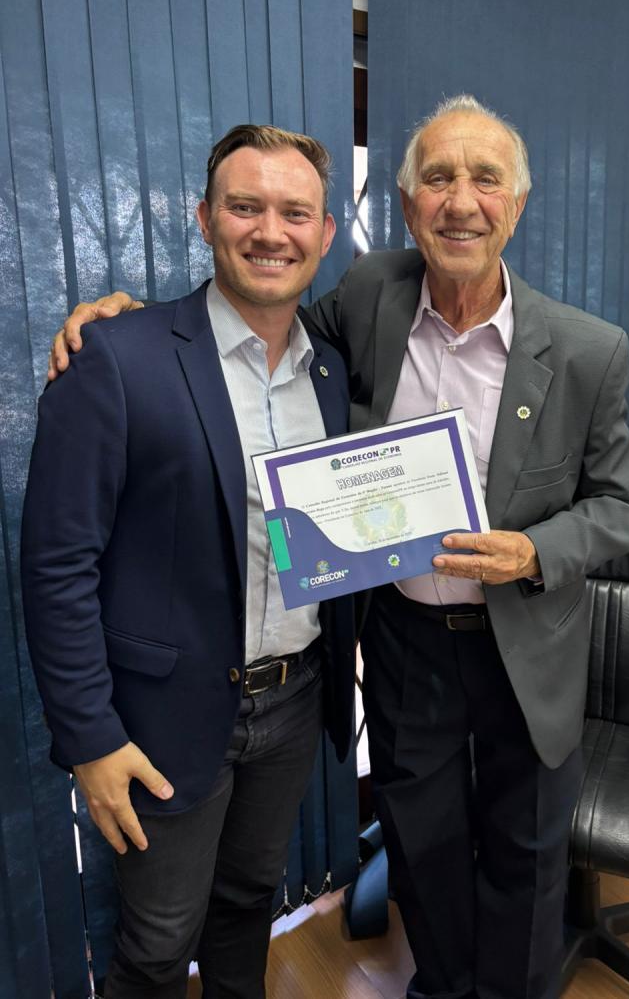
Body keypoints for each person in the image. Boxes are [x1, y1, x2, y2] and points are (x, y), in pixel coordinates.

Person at [48, 95, 629, 999]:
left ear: (517, 204)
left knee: (527, 862)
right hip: (404, 648)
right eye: (437, 179)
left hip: (526, 652)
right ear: (406, 207)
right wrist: (119, 321)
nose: (461, 201)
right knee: (425, 853)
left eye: (486, 179)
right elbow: (249, 314)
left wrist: (534, 553)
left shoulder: (586, 350)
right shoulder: (370, 299)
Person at [22, 124, 356, 999]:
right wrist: (90, 739)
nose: (270, 231)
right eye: (246, 207)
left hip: (294, 701)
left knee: (248, 905)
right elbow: (57, 565)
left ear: (326, 234)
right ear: (205, 219)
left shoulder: (330, 373)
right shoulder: (116, 357)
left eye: (295, 213)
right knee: (158, 946)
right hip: (162, 721)